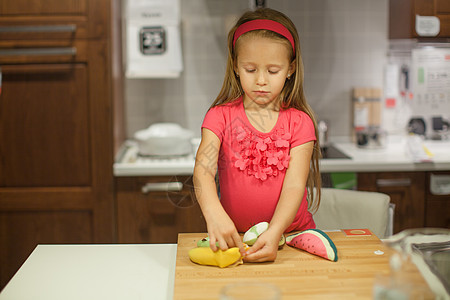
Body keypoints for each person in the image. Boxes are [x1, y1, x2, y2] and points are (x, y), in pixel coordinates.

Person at [193, 8, 322, 263]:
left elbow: (295, 186)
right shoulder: (220, 117)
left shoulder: (300, 123)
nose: (261, 80)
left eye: (273, 71)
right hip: (238, 239)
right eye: (251, 69)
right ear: (236, 67)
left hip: (291, 237)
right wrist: (214, 214)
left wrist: (275, 232)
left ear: (290, 69)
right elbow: (203, 171)